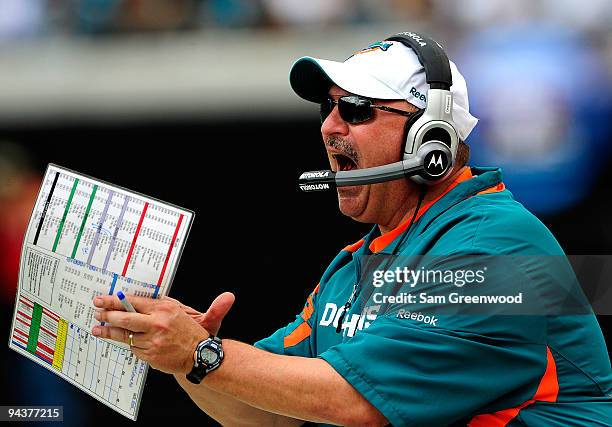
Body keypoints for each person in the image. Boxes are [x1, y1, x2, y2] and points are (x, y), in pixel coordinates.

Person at [90, 33, 612, 426]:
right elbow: (269, 414)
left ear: (430, 139)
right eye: (328, 108)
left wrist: (203, 354)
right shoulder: (358, 263)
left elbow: (356, 402)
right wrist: (182, 356)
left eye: (356, 110)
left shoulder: (494, 248)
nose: (329, 126)